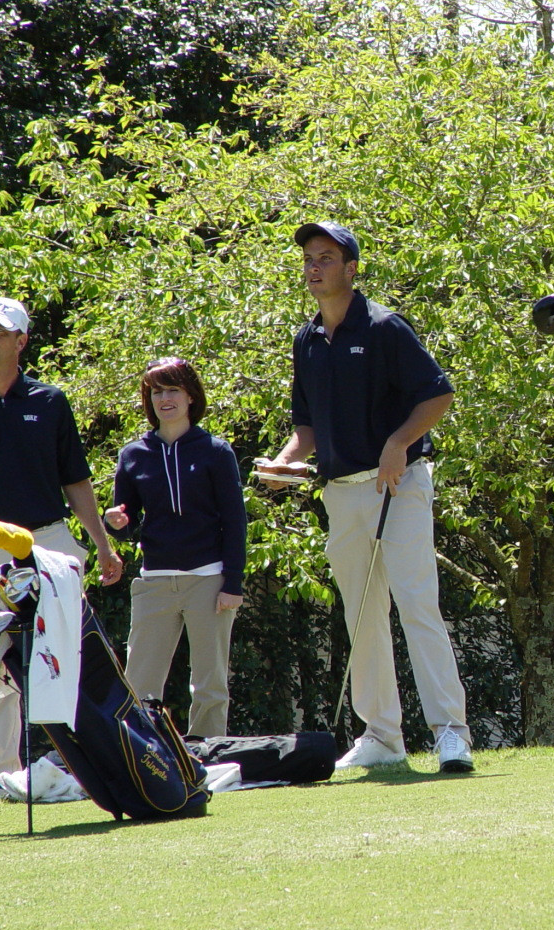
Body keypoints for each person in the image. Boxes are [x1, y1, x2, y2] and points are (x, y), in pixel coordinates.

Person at [257, 220, 474, 773]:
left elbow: (438, 393)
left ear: (351, 269)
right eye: (309, 258)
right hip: (341, 493)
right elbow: (305, 427)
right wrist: (285, 463)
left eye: (326, 258)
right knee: (362, 615)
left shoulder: (384, 327)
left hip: (396, 486)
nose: (314, 267)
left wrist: (399, 442)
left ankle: (452, 733)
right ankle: (382, 735)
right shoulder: (306, 341)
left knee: (418, 604)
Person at [0, 295, 125, 774]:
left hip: (49, 544)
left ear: (21, 340)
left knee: (69, 651)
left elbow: (76, 481)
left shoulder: (50, 402)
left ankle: (90, 766)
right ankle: (1, 773)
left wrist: (100, 543)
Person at [104, 357, 247, 738]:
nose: (164, 399)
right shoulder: (133, 454)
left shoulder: (216, 451)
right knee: (139, 683)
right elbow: (127, 519)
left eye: (172, 390)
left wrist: (232, 583)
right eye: (156, 392)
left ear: (190, 396)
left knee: (210, 683)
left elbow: (235, 521)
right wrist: (116, 522)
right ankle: (144, 760)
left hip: (209, 580)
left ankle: (209, 753)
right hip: (154, 581)